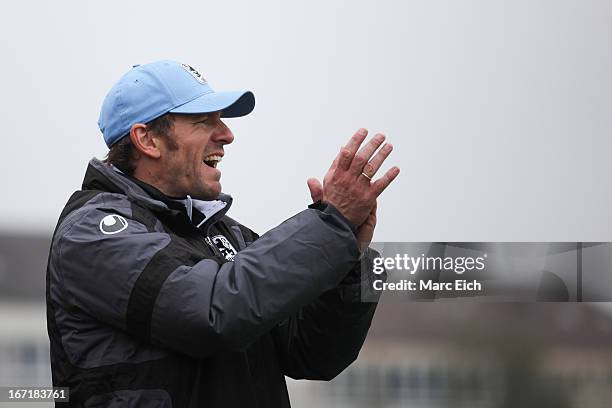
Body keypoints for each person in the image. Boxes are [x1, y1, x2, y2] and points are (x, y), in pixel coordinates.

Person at [45, 60, 400, 407]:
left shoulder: (226, 234)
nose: (227, 135)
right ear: (148, 140)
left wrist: (347, 259)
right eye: (204, 121)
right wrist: (328, 224)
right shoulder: (92, 232)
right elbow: (212, 313)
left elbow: (313, 355)